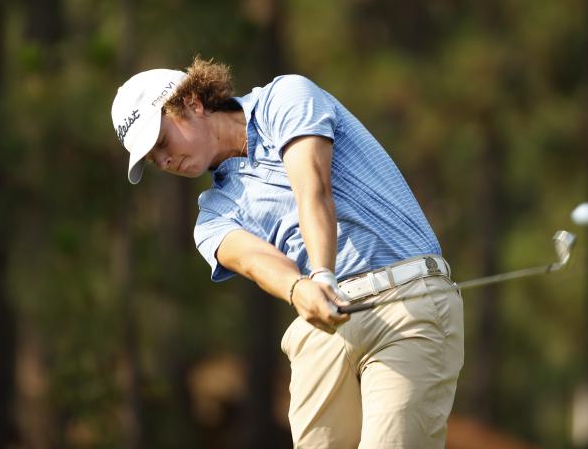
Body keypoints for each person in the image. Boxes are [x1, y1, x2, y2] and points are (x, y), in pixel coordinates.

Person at [111, 57, 464, 448]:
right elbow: (257, 262)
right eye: (151, 159)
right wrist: (299, 290)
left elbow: (312, 188)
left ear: (193, 103)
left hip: (406, 301)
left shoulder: (284, 99)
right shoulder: (212, 217)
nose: (163, 161)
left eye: (161, 142)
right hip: (323, 324)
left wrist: (323, 275)